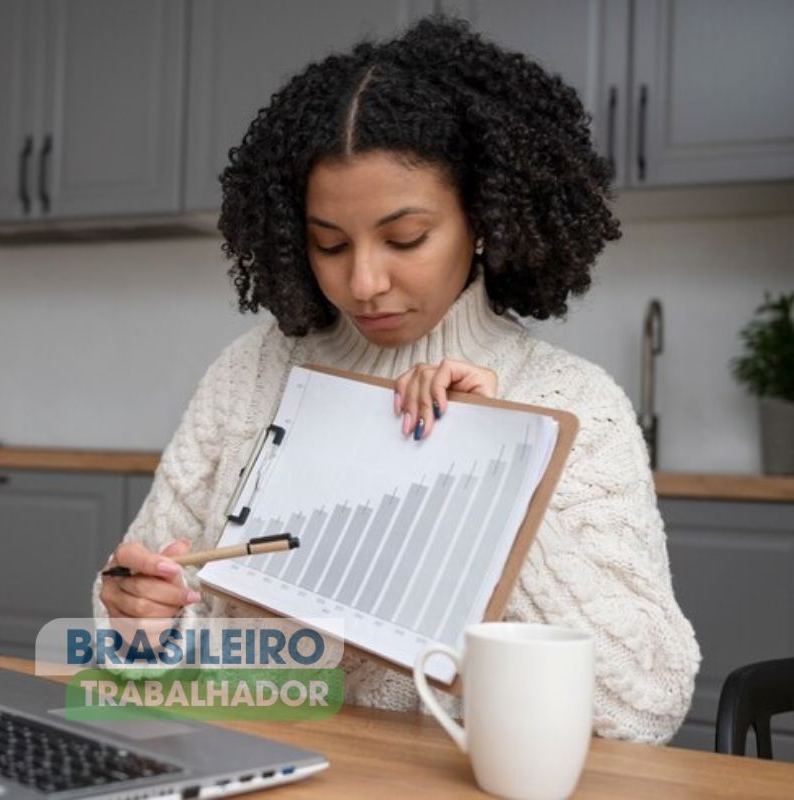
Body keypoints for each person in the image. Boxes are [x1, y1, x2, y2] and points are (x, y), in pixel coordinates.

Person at [91, 15, 699, 744]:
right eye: (330, 244)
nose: (364, 282)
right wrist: (139, 614)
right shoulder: (251, 373)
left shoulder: (577, 405)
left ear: (483, 219)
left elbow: (643, 709)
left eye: (405, 239)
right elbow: (126, 631)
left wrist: (500, 469)